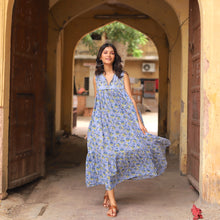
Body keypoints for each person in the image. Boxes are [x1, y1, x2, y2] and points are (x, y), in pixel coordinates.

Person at [85, 43, 170, 217]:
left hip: (120, 123)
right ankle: (113, 203)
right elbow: (98, 103)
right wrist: (91, 127)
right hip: (101, 125)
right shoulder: (97, 77)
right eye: (105, 52)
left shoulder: (123, 75)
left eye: (112, 53)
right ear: (100, 56)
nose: (109, 55)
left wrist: (139, 122)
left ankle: (108, 192)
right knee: (105, 157)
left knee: (126, 153)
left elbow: (131, 99)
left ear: (115, 57)